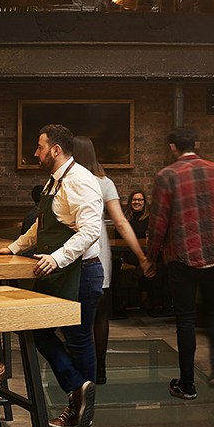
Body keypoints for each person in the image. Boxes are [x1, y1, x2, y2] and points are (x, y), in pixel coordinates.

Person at [0, 124, 104, 427]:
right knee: (37, 330)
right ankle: (78, 388)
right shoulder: (55, 181)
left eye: (40, 147)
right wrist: (15, 247)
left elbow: (91, 231)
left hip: (81, 272)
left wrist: (57, 258)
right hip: (62, 272)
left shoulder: (80, 181)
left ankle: (80, 410)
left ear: (56, 150)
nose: (36, 153)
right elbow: (42, 225)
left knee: (79, 338)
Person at [145, 127, 214, 400]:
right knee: (213, 314)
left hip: (182, 256)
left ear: (172, 147)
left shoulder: (166, 176)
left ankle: (187, 384)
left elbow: (158, 223)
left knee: (186, 320)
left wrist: (150, 258)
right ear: (197, 143)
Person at [71, 137, 149, 384]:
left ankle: (80, 370)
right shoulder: (104, 182)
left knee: (77, 314)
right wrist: (142, 256)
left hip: (73, 250)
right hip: (99, 249)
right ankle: (100, 370)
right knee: (101, 315)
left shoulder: (69, 181)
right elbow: (121, 223)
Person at [112, 188, 150, 318]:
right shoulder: (124, 218)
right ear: (130, 202)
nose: (137, 202)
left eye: (140, 200)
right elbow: (118, 237)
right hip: (126, 254)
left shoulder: (150, 218)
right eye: (134, 199)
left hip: (145, 253)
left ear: (144, 202)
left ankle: (146, 300)